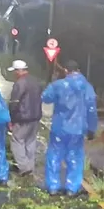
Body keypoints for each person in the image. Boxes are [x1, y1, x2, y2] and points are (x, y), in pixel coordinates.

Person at [42, 60, 98, 197]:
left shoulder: (58, 85)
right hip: (78, 129)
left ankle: (53, 187)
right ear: (78, 70)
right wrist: (92, 128)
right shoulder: (87, 87)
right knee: (75, 157)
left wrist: (53, 82)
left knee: (54, 156)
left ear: (66, 70)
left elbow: (45, 98)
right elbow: (91, 109)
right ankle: (72, 188)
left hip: (59, 127)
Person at [6, 60, 43, 178]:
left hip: (22, 118)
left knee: (17, 141)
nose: (14, 74)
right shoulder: (36, 81)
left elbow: (14, 103)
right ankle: (30, 167)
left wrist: (11, 118)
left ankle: (24, 167)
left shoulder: (19, 83)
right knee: (30, 142)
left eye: (15, 71)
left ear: (19, 71)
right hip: (35, 117)